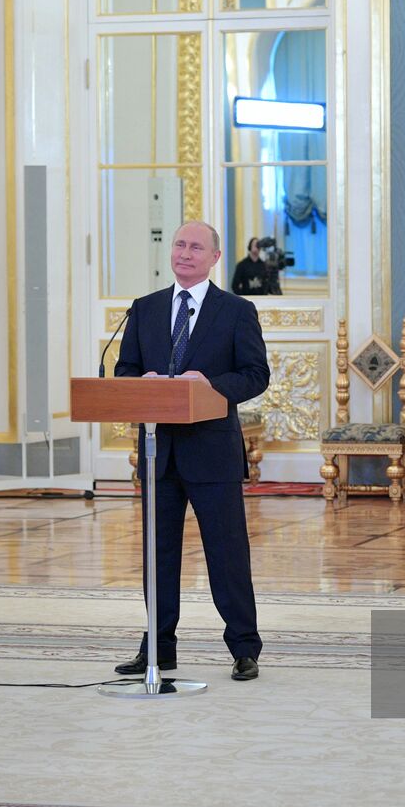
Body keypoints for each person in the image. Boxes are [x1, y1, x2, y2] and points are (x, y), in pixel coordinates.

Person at [113, 220, 270, 681]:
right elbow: (125, 370)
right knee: (157, 556)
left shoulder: (236, 311)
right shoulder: (145, 309)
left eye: (195, 247)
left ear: (215, 258)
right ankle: (158, 648)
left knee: (227, 554)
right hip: (158, 453)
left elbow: (255, 374)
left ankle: (244, 647)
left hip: (212, 452)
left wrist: (210, 386)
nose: (184, 253)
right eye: (179, 244)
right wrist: (140, 384)